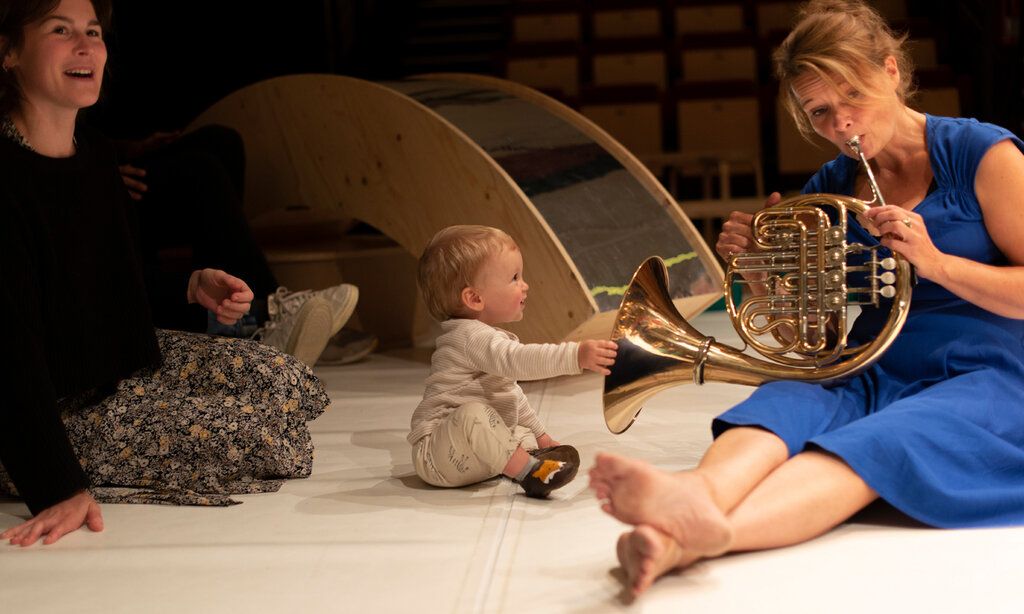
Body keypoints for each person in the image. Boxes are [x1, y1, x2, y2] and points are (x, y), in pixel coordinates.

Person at [589, 0, 1024, 597]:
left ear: (892, 71)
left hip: (989, 372)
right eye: (820, 111)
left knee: (882, 441)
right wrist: (760, 272)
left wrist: (938, 263)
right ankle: (692, 502)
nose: (841, 123)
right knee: (784, 399)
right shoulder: (831, 187)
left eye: (851, 96)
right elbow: (811, 332)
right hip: (873, 362)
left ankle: (693, 537)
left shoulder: (981, 154)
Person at [0, 0, 328, 546]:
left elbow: (107, 292)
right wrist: (56, 486)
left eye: (93, 31)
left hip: (113, 372)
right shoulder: (6, 179)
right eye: (60, 30)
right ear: (9, 51)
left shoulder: (96, 155)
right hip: (37, 409)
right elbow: (8, 353)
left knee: (292, 384)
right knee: (272, 441)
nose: (86, 46)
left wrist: (190, 286)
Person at [112, 120, 363, 367]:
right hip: (85, 184)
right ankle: (264, 319)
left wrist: (123, 150)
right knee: (200, 170)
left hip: (97, 160)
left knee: (222, 141)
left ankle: (237, 316)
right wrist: (101, 172)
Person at [411, 225, 618, 497]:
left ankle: (526, 457)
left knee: (513, 426)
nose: (525, 285)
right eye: (514, 278)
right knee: (474, 415)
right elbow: (518, 360)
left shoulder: (486, 337)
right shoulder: (469, 337)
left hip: (469, 457)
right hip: (438, 456)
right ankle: (528, 472)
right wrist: (574, 356)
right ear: (474, 298)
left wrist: (542, 437)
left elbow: (511, 394)